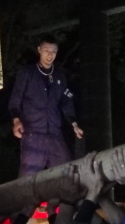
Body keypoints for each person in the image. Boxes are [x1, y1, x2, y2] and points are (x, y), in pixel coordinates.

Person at [8, 35, 84, 178]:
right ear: (39, 50)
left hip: (55, 133)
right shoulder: (27, 73)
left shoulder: (59, 76)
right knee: (29, 177)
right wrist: (16, 121)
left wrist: (74, 124)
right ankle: (26, 200)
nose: (50, 55)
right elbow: (15, 99)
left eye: (53, 51)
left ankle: (63, 200)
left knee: (67, 173)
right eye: (46, 50)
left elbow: (66, 101)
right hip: (32, 133)